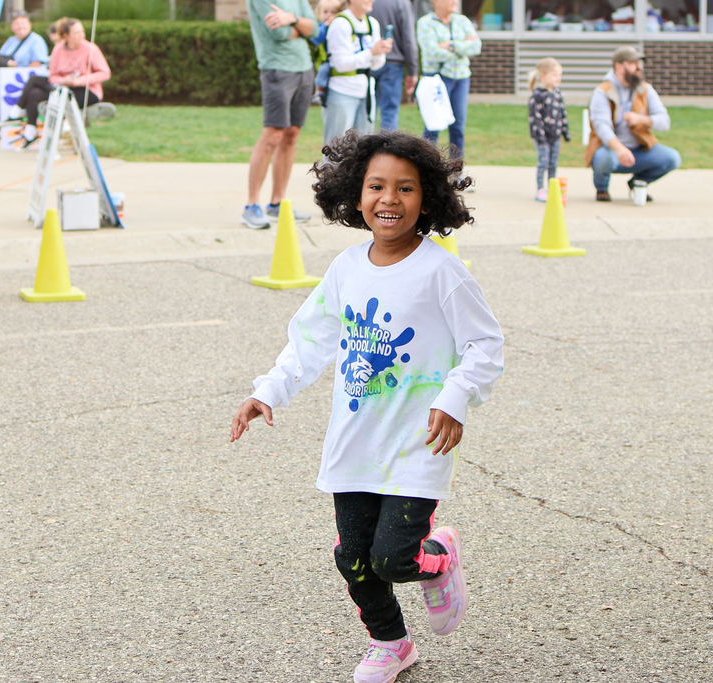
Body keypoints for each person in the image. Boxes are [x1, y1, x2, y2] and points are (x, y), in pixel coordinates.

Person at [231, 130, 504, 683]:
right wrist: (267, 390)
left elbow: (486, 345)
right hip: (356, 440)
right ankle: (392, 645)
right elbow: (311, 341)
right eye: (376, 186)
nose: (389, 199)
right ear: (355, 195)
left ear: (427, 199)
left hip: (416, 443)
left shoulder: (442, 271)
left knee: (393, 558)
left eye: (405, 188)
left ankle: (437, 556)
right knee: (353, 557)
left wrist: (453, 399)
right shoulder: (347, 269)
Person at [241, 0, 316, 230]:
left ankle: (277, 204)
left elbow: (314, 29)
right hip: (277, 69)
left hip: (304, 69)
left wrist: (292, 18)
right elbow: (280, 33)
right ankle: (251, 206)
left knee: (291, 135)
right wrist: (299, 26)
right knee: (272, 135)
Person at [586, 46, 680, 203]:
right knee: (604, 158)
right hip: (611, 151)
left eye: (639, 63)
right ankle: (602, 188)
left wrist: (643, 119)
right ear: (619, 66)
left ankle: (637, 183)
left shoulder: (645, 89)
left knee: (672, 158)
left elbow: (665, 122)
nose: (639, 67)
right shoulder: (602, 92)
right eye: (633, 63)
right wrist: (619, 148)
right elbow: (601, 127)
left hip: (639, 150)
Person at [14, 18, 112, 129]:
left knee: (59, 98)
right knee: (34, 93)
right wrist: (65, 80)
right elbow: (53, 76)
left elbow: (105, 73)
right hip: (64, 87)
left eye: (82, 31)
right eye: (76, 33)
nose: (81, 35)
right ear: (66, 36)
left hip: (87, 91)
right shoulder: (58, 50)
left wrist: (81, 80)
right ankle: (30, 132)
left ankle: (58, 124)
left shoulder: (91, 49)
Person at [416, 0, 480, 157]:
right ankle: (427, 167)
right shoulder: (425, 23)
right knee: (433, 125)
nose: (455, 2)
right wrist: (462, 47)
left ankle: (456, 170)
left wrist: (450, 44)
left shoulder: (462, 21)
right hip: (437, 79)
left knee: (458, 127)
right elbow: (432, 52)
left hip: (461, 79)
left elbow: (476, 47)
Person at [322, 0, 392, 145]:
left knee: (363, 147)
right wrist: (371, 52)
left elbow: (377, 64)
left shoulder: (372, 23)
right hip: (342, 91)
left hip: (366, 92)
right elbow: (340, 64)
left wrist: (380, 52)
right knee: (336, 148)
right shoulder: (340, 23)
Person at [0, 10, 50, 139]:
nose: (20, 26)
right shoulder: (11, 41)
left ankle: (2, 131)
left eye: (23, 23)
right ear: (12, 26)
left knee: (2, 93)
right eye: (17, 23)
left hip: (24, 81)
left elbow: (38, 63)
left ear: (29, 24)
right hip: (8, 79)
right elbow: (0, 59)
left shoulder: (36, 41)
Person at [369, 0, 419, 131]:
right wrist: (413, 70)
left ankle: (365, 149)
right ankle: (387, 150)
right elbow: (409, 39)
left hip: (368, 60)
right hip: (393, 65)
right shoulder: (401, 3)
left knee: (366, 112)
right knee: (389, 113)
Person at [527, 57, 570, 202]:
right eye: (555, 75)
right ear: (543, 75)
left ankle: (552, 188)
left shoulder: (558, 94)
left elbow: (562, 113)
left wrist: (565, 131)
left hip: (555, 136)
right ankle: (540, 189)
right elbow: (535, 118)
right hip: (542, 138)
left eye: (559, 75)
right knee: (543, 163)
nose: (558, 78)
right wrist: (540, 137)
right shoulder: (537, 96)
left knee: (553, 163)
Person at [310, 0, 344, 107]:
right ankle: (319, 91)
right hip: (326, 60)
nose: (329, 15)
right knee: (323, 70)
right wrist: (325, 26)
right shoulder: (320, 27)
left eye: (333, 12)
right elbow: (317, 39)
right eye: (325, 12)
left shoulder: (341, 26)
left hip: (339, 59)